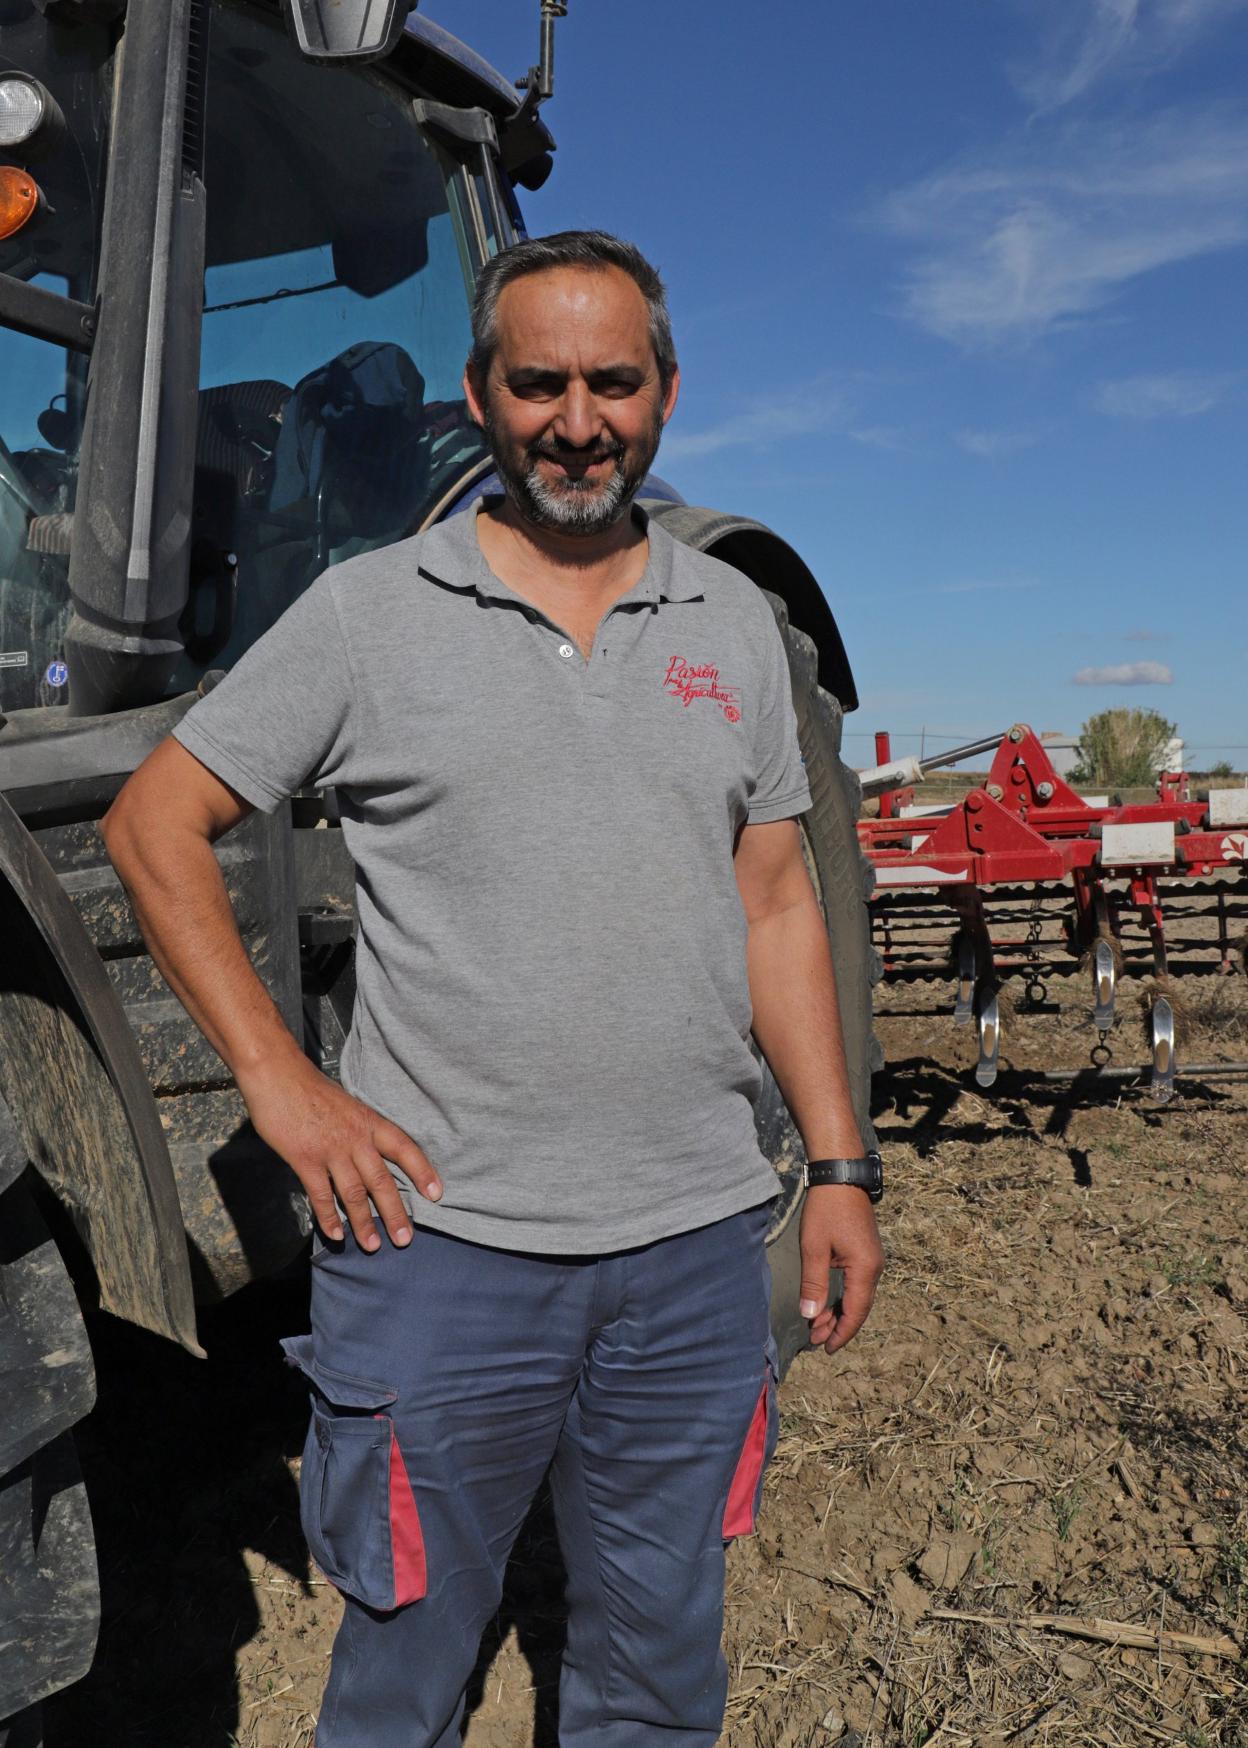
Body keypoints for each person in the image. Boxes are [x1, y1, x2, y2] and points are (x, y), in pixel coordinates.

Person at [102, 230, 885, 1748]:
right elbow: (154, 826)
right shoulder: (368, 615)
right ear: (482, 394)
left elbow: (779, 899)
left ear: (667, 392)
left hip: (691, 1250)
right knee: (403, 1678)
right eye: (540, 384)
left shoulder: (727, 623)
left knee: (657, 1673)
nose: (577, 421)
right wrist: (282, 1082)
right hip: (442, 1253)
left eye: (612, 383)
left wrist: (839, 1163)